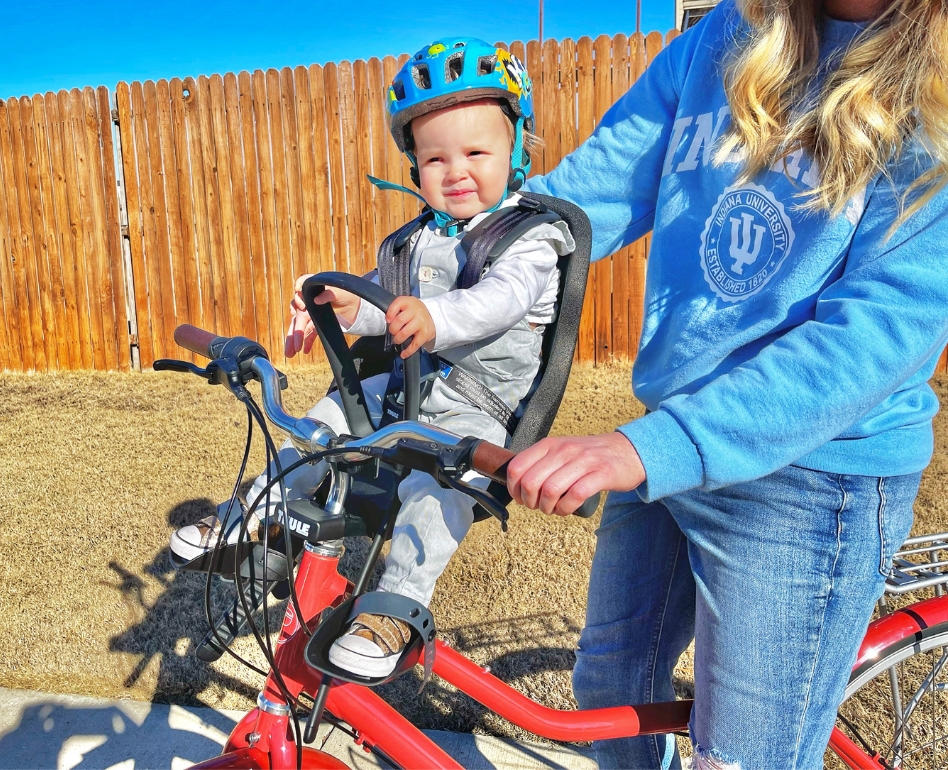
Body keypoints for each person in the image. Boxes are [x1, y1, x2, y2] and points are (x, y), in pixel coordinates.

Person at [505, 0, 948, 767]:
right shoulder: (723, 35)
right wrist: (428, 273)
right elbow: (585, 196)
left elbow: (877, 334)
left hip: (814, 477)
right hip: (672, 439)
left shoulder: (934, 81)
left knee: (738, 757)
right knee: (612, 690)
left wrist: (657, 444)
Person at [170, 38, 574, 678]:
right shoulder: (415, 239)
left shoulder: (530, 237)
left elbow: (501, 301)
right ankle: (252, 509)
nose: (456, 170)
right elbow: (383, 311)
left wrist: (435, 317)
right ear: (414, 164)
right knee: (314, 427)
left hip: (476, 407)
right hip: (402, 389)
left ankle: (396, 605)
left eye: (476, 152)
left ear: (517, 147)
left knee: (431, 490)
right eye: (435, 156)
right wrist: (332, 306)